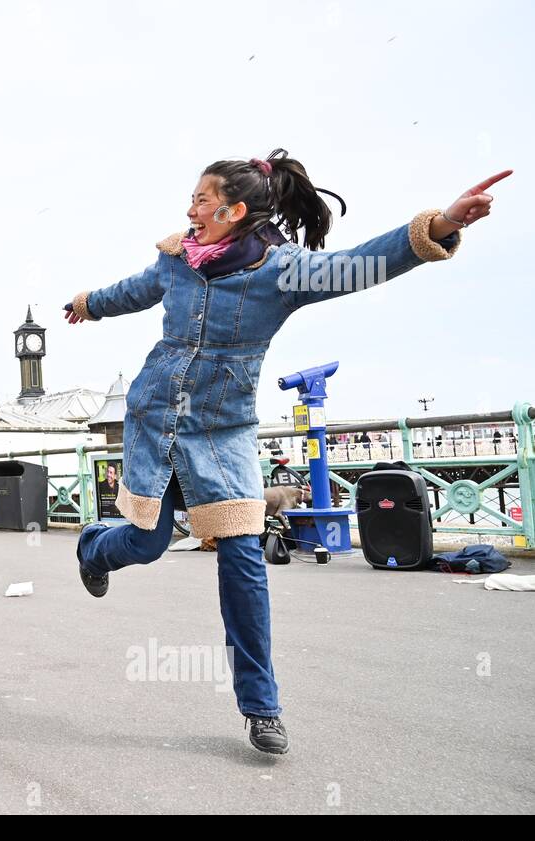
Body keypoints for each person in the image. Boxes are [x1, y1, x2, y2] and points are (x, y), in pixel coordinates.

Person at [67, 149, 509, 755]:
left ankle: (261, 705)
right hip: (153, 418)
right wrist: (89, 301)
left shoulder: (281, 272)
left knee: (243, 560)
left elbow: (359, 266)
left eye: (201, 199)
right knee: (144, 543)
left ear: (235, 208)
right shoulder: (175, 261)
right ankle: (94, 546)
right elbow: (134, 290)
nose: (189, 209)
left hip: (222, 432)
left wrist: (439, 226)